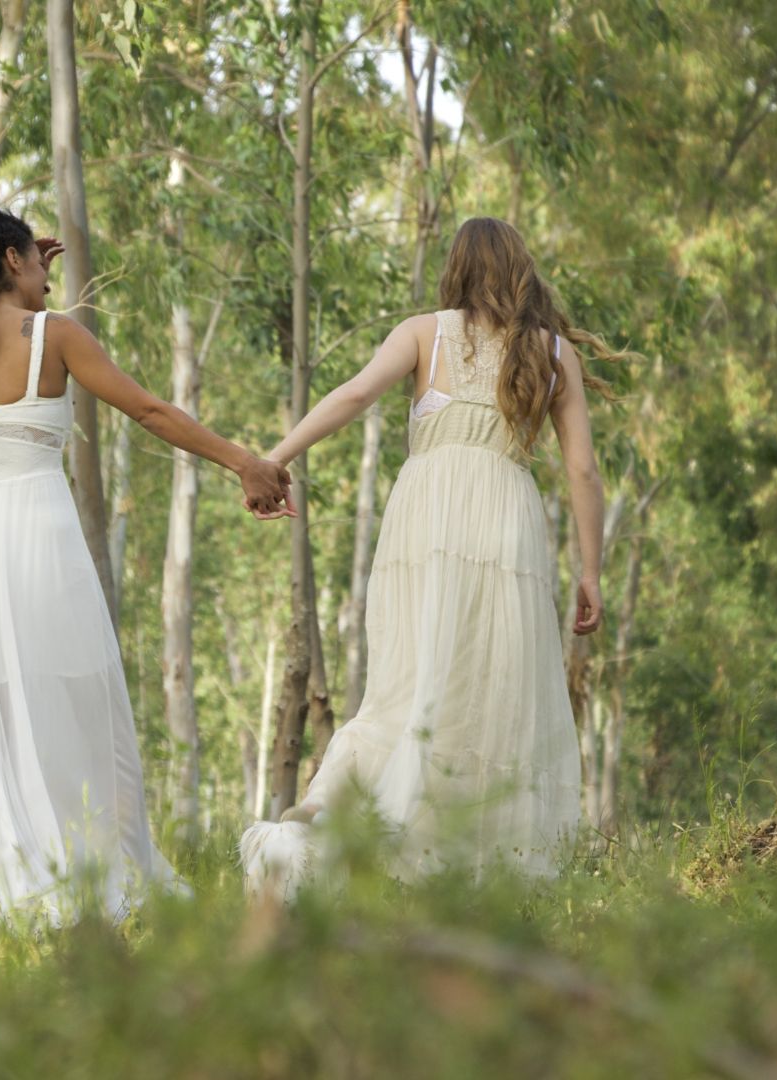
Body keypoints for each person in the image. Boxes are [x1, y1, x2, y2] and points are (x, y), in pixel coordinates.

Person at [0, 207, 291, 924]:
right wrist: (244, 461)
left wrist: (25, 265)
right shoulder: (55, 336)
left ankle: (9, 877)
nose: (49, 275)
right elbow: (149, 410)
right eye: (37, 260)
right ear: (8, 262)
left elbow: (1, 315)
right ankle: (94, 869)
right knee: (79, 702)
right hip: (38, 536)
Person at [241, 217, 621, 899]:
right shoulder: (552, 352)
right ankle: (475, 868)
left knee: (405, 689)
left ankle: (315, 830)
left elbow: (354, 394)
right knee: (490, 695)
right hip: (505, 522)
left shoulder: (422, 332)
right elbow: (583, 472)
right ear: (518, 271)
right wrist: (591, 572)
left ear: (456, 269)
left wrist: (277, 456)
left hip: (424, 520)